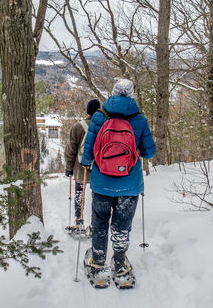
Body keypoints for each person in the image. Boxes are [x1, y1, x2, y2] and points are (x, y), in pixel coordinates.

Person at [80, 79, 156, 284]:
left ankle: (98, 262)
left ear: (112, 93)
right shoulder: (139, 119)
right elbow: (150, 151)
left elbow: (87, 152)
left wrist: (87, 163)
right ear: (131, 94)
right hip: (129, 185)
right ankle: (120, 264)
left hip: (102, 182)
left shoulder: (99, 116)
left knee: (100, 221)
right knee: (122, 224)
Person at [64, 99, 101, 229]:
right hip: (99, 168)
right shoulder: (104, 125)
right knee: (97, 197)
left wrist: (69, 167)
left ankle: (79, 222)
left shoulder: (77, 126)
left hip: (81, 168)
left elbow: (71, 149)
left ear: (88, 111)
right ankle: (94, 225)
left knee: (79, 193)